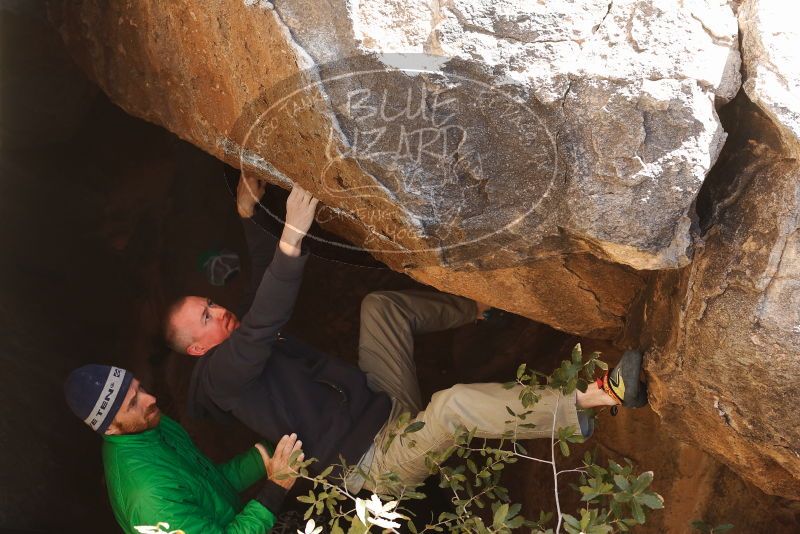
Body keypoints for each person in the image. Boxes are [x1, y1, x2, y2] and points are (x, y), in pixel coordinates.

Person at [164, 180, 647, 494]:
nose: (218, 311)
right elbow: (265, 317)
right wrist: (293, 237)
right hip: (377, 466)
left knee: (380, 309)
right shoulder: (220, 378)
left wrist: (249, 215)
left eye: (210, 305)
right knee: (452, 406)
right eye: (205, 318)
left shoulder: (235, 335)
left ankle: (481, 308)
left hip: (384, 404)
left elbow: (253, 293)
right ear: (196, 349)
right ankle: (596, 397)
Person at [63, 364, 303, 533]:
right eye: (133, 403)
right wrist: (275, 489)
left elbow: (208, 486)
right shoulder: (148, 497)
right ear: (110, 429)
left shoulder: (150, 424)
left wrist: (272, 450)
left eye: (140, 388)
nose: (151, 399)